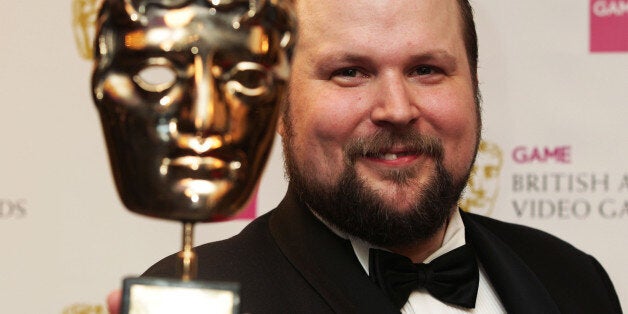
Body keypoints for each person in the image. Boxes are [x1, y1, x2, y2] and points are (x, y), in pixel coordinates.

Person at [108, 0, 622, 313]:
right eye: (349, 71)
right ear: (278, 103)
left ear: (474, 86)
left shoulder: (572, 278)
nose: (397, 109)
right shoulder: (197, 300)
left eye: (426, 69)